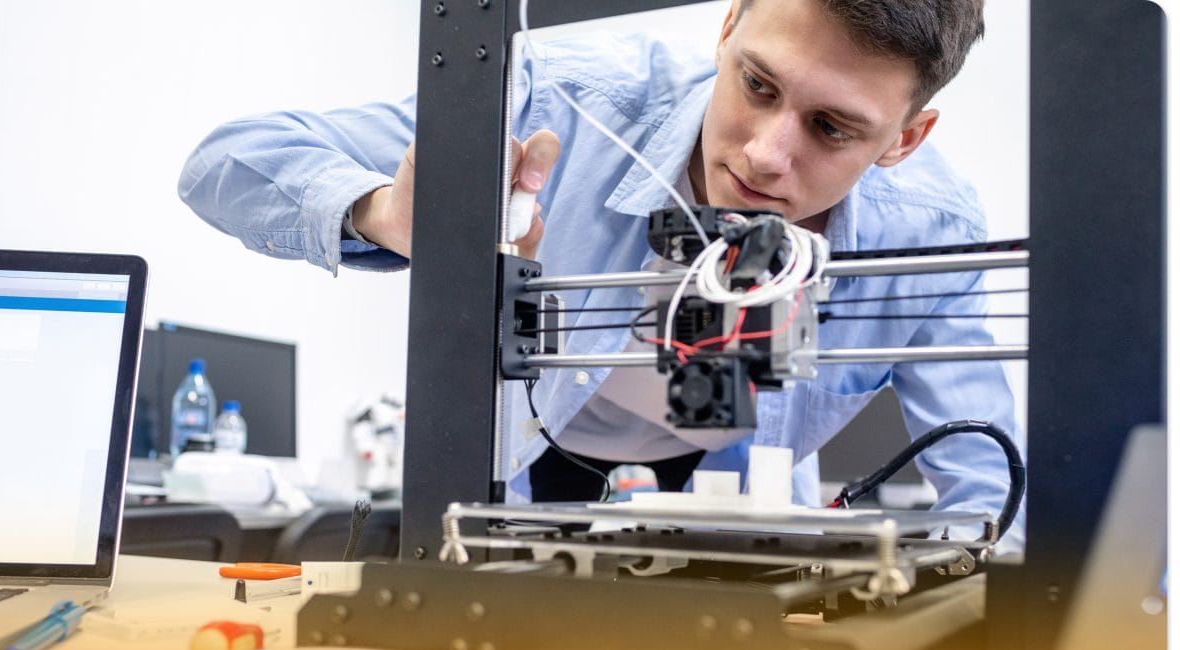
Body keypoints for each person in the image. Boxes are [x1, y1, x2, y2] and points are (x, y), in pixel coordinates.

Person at [178, 0, 1025, 551]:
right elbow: (228, 160)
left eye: (833, 129)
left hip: (744, 496)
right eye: (757, 85)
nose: (766, 155)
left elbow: (992, 480)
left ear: (904, 141)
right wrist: (377, 211)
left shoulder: (932, 230)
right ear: (727, 26)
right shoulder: (563, 103)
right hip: (533, 470)